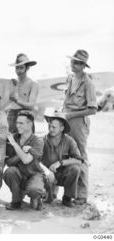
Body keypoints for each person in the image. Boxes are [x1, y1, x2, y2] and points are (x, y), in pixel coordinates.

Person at [63, 50, 97, 205]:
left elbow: (93, 109)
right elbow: (66, 100)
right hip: (66, 118)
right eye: (73, 61)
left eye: (77, 62)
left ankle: (82, 195)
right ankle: (66, 192)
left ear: (84, 65)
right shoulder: (70, 78)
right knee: (64, 152)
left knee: (80, 156)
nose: (73, 64)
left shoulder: (88, 83)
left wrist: (71, 115)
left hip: (78, 122)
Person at [3, 111, 45, 210]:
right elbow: (9, 163)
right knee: (9, 172)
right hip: (19, 174)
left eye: (21, 123)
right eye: (17, 123)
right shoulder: (13, 138)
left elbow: (26, 160)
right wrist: (21, 151)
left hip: (34, 174)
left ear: (30, 124)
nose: (17, 126)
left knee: (34, 192)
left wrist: (14, 145)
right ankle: (16, 201)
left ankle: (38, 196)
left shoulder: (38, 141)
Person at [41, 111, 84, 207]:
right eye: (49, 126)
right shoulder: (42, 140)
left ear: (62, 128)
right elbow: (35, 160)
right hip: (47, 176)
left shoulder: (69, 141)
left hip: (62, 175)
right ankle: (47, 192)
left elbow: (79, 160)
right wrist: (47, 172)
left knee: (75, 169)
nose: (50, 129)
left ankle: (67, 197)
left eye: (54, 127)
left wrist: (60, 162)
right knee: (48, 200)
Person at [6, 54, 39, 133]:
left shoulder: (33, 84)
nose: (19, 70)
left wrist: (17, 100)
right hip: (11, 116)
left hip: (25, 116)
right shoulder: (11, 82)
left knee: (26, 143)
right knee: (10, 143)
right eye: (17, 68)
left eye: (21, 68)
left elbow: (31, 105)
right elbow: (4, 103)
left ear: (27, 68)